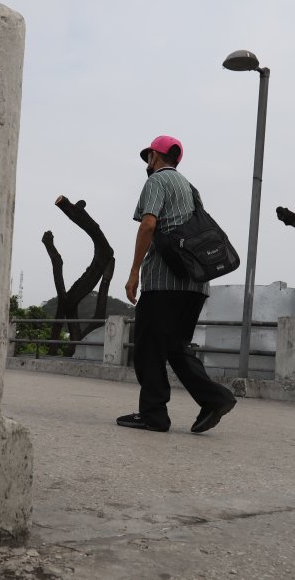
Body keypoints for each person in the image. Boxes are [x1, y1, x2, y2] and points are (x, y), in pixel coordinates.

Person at [119, 135, 237, 433]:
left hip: (164, 282)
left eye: (149, 156)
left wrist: (134, 271)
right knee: (174, 345)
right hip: (196, 283)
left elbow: (148, 224)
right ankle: (214, 399)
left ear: (154, 158)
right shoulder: (191, 188)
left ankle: (153, 414)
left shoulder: (157, 181)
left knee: (148, 347)